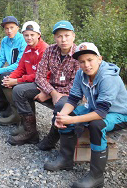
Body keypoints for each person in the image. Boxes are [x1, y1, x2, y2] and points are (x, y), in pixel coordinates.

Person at [44, 42, 127, 188]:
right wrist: (61, 117)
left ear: (99, 59)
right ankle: (65, 159)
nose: (86, 65)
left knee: (97, 125)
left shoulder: (108, 77)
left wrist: (73, 119)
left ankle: (96, 177)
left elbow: (101, 113)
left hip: (119, 113)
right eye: (82, 61)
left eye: (90, 60)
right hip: (95, 107)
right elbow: (73, 99)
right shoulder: (80, 74)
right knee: (64, 113)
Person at [8, 20, 79, 147]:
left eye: (67, 35)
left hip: (70, 94)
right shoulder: (50, 50)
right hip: (49, 88)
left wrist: (53, 95)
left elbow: (75, 85)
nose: (63, 39)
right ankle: (30, 132)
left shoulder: (78, 54)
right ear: (55, 38)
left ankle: (52, 138)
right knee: (19, 91)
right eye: (59, 36)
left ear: (73, 36)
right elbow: (40, 76)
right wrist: (51, 92)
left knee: (60, 106)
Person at [0, 21, 48, 136]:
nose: (29, 38)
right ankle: (17, 115)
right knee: (5, 80)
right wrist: (10, 78)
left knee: (20, 89)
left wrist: (17, 81)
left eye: (32, 35)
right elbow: (20, 68)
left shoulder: (44, 50)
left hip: (43, 83)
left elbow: (40, 75)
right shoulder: (27, 48)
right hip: (32, 80)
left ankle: (28, 128)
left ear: (38, 35)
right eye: (26, 35)